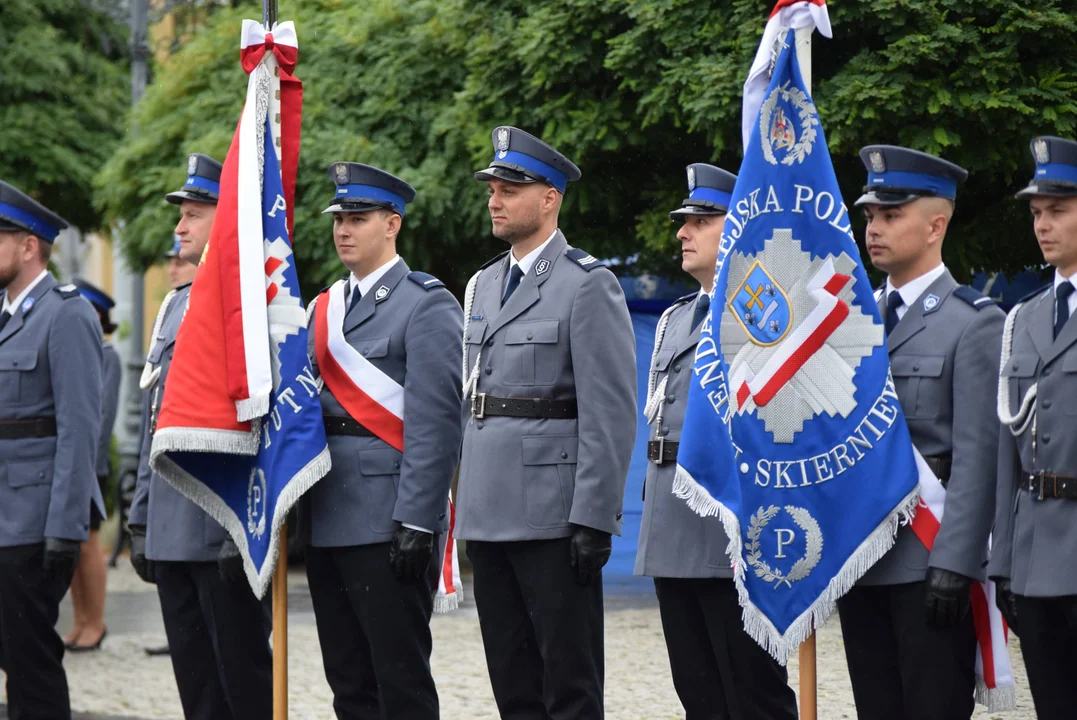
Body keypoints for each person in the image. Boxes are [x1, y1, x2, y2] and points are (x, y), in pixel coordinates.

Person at [455, 127, 637, 719]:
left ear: (550, 197)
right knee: (513, 685)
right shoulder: (481, 285)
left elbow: (610, 412)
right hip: (489, 510)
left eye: (510, 187)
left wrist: (594, 516)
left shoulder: (586, 283)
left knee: (570, 687)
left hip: (555, 517)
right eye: (492, 187)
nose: (495, 198)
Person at [836, 146, 1003, 720]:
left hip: (929, 560)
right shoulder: (849, 320)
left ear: (936, 224)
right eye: (869, 216)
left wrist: (955, 564)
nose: (874, 228)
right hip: (861, 556)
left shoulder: (973, 322)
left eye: (890, 215)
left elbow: (980, 459)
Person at [635, 164, 799, 720]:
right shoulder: (678, 318)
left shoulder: (765, 315)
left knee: (753, 694)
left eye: (700, 220)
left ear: (738, 225)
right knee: (698, 692)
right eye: (684, 221)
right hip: (673, 522)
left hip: (732, 531)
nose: (683, 232)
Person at [303, 162, 463, 719]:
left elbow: (436, 423)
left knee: (401, 684)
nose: (343, 229)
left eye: (358, 217)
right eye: (339, 218)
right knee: (348, 684)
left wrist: (418, 520)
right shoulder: (323, 310)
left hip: (388, 520)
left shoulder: (427, 304)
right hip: (327, 517)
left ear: (392, 224)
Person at [128, 154, 272, 719]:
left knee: (243, 687)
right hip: (170, 525)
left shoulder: (252, 307)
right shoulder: (174, 306)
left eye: (192, 215)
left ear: (227, 216)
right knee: (197, 692)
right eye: (181, 215)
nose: (179, 227)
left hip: (222, 528)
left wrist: (248, 531)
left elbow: (266, 427)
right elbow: (153, 422)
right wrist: (141, 516)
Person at [0, 180, 104, 718]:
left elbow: (79, 429)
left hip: (34, 523)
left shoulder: (65, 315)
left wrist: (65, 529)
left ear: (28, 246)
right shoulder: (6, 317)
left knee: (32, 668)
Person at [990, 135, 1077, 720]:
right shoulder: (1021, 319)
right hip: (1036, 558)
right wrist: (1002, 566)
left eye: (1059, 212)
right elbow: (1006, 453)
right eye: (1037, 213)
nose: (1043, 226)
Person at [61, 277, 121, 652]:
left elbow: (103, 415)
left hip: (91, 465)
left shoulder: (107, 354)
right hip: (75, 463)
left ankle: (95, 622)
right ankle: (80, 619)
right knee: (72, 544)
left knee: (88, 546)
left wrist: (88, 464)